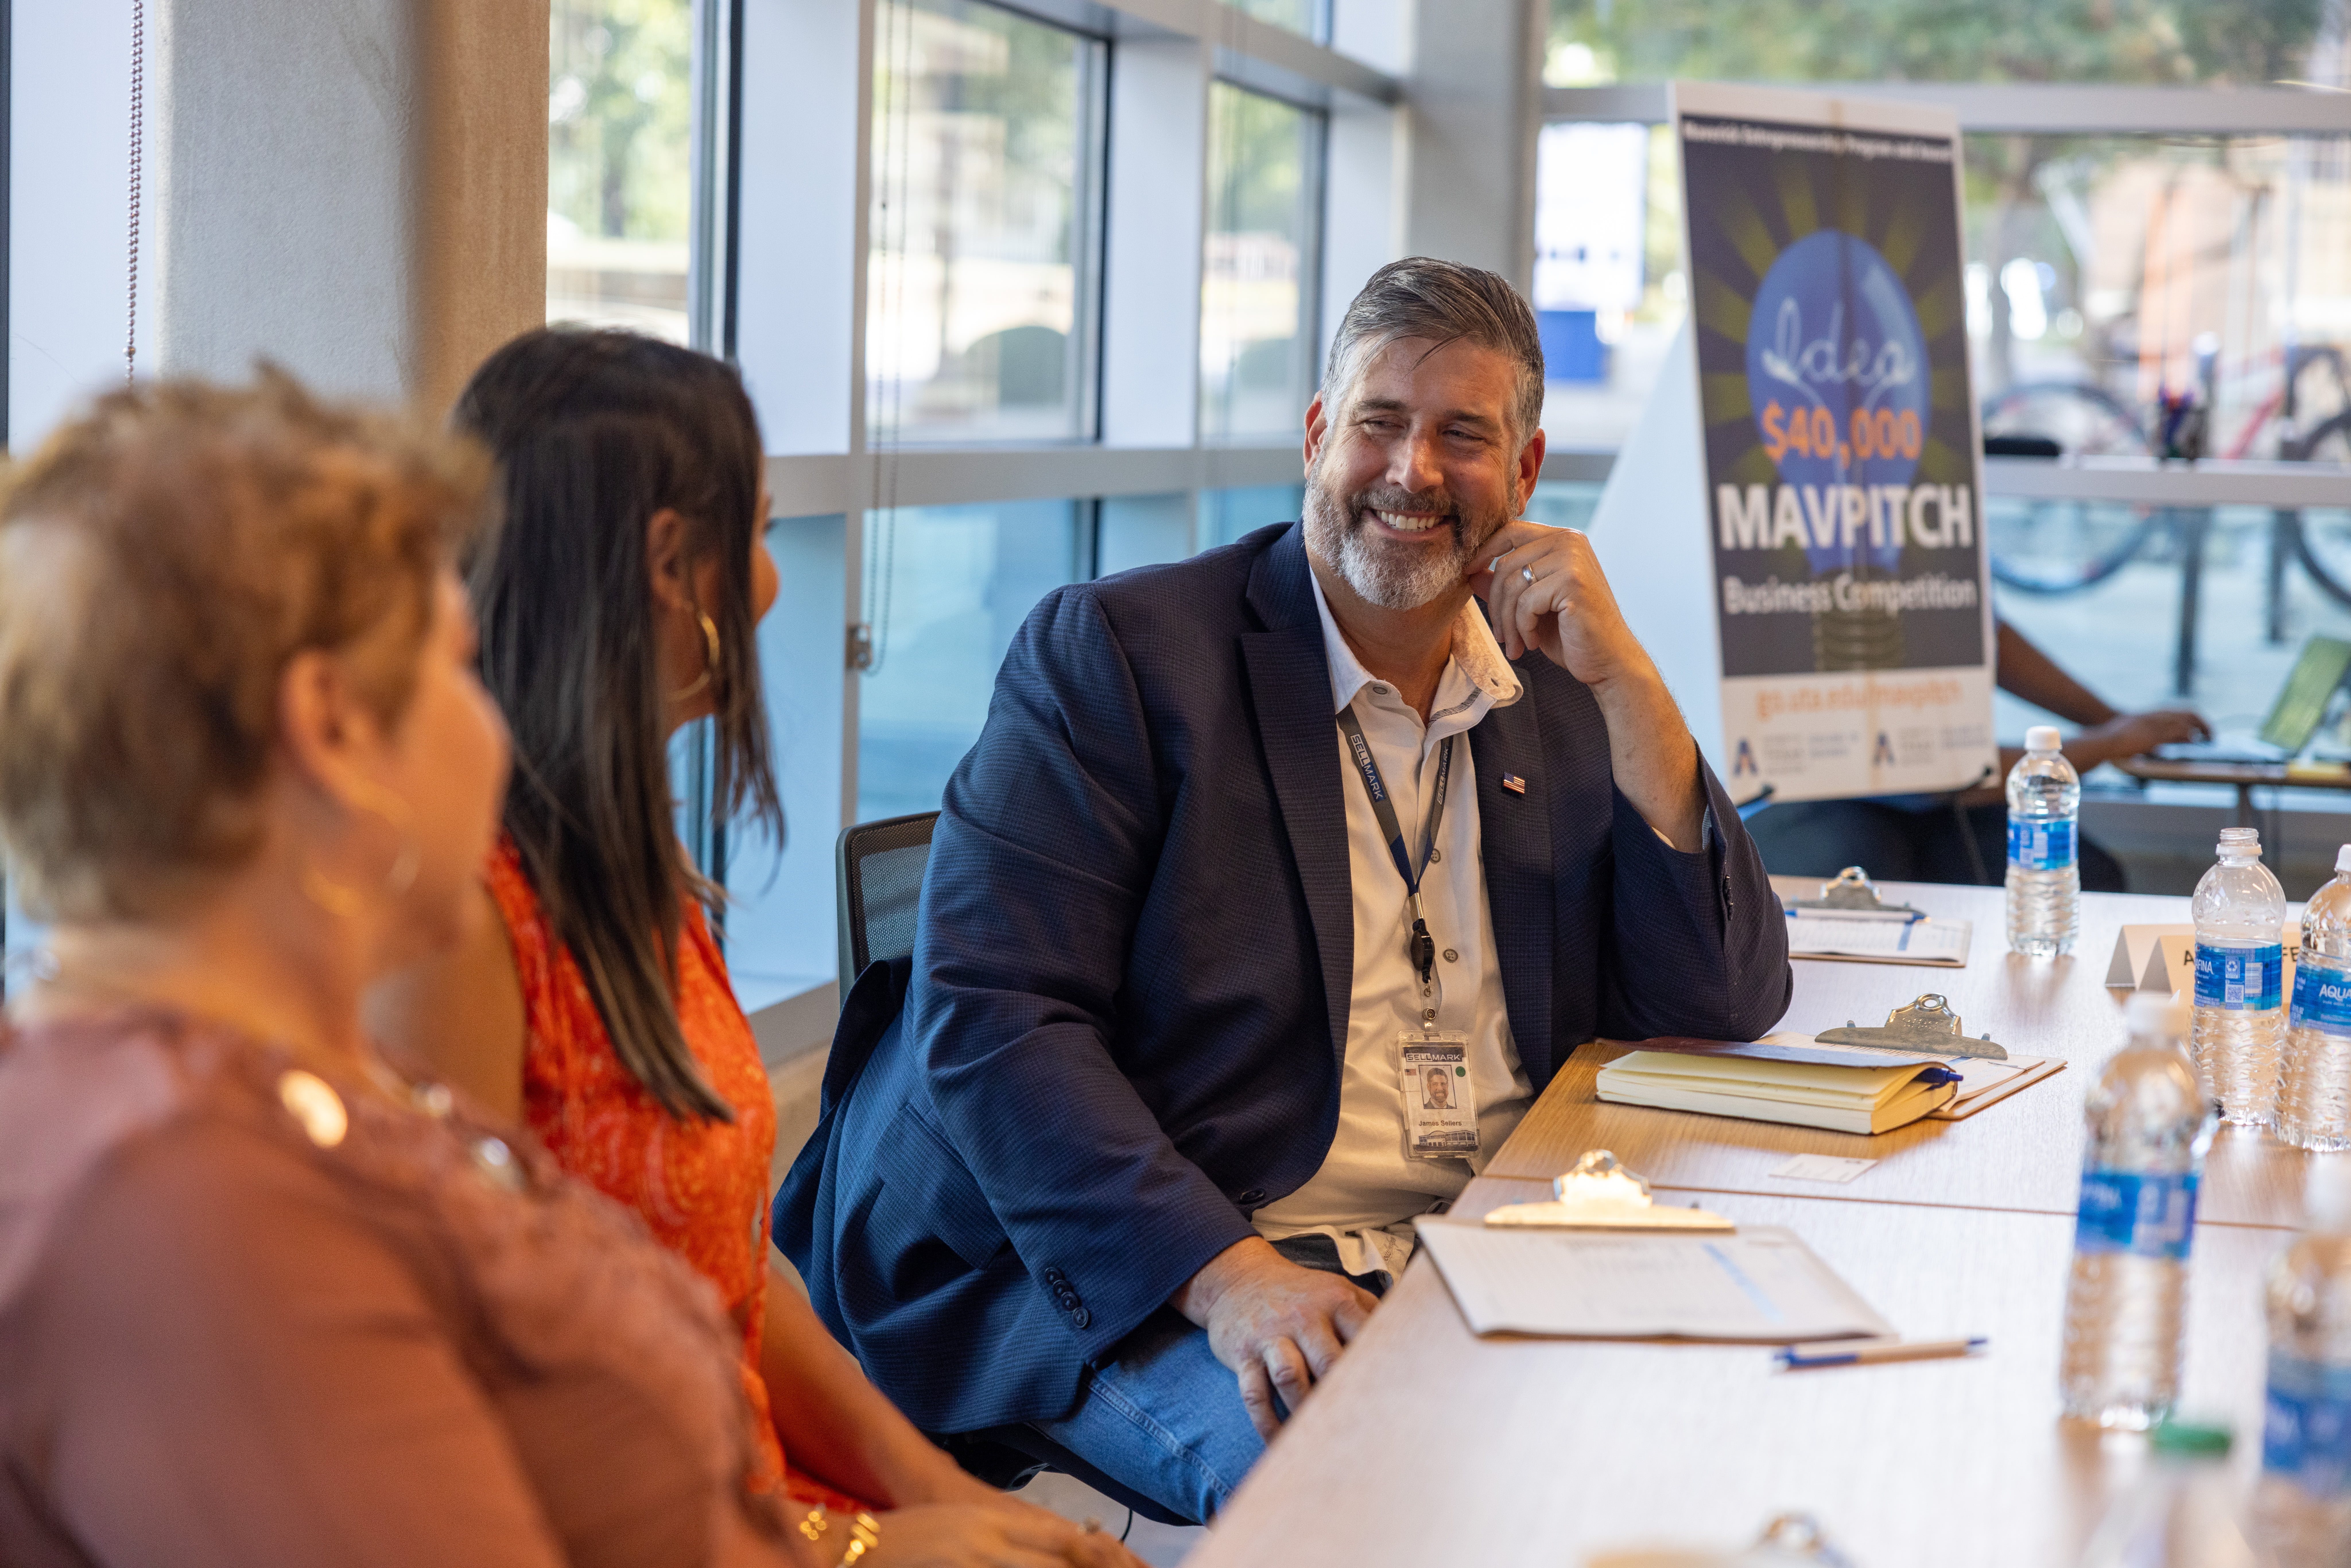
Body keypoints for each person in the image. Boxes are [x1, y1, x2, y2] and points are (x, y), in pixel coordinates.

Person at [777, 257, 1793, 1524]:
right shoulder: (1122, 657)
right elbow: (993, 1018)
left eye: (1461, 438)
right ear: (1318, 437)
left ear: (1525, 477)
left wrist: (1635, 688)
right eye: (1378, 423)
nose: (1412, 472)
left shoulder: (1556, 691)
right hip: (1176, 1242)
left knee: (1734, 1438)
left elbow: (1723, 994)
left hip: (1474, 1231)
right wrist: (1230, 1273)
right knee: (1370, 1500)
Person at [0, 373, 814, 1565]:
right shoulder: (194, 1204)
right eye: (454, 660)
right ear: (332, 729)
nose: (491, 715)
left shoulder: (305, 1082)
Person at [369, 328, 1135, 1566]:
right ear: (674, 562)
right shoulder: (456, 920)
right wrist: (858, 1548)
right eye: (763, 533)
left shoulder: (641, 877)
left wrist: (935, 1486)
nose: (775, 582)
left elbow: (727, 1264)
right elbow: (471, 1406)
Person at [1744, 620, 2211, 891]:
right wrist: (2108, 742)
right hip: (1829, 798)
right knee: (1858, 879)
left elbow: (1984, 635)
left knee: (2087, 875)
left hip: (1938, 795)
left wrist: (2116, 724)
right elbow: (1924, 772)